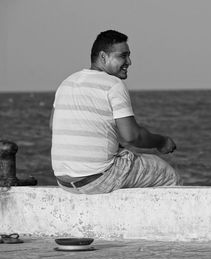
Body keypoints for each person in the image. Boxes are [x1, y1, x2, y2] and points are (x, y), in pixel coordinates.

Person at [50, 30, 181, 194]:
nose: (129, 62)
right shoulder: (113, 84)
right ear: (103, 57)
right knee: (165, 172)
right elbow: (133, 136)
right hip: (98, 179)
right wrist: (161, 142)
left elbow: (53, 126)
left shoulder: (67, 82)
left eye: (129, 55)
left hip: (65, 182)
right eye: (123, 56)